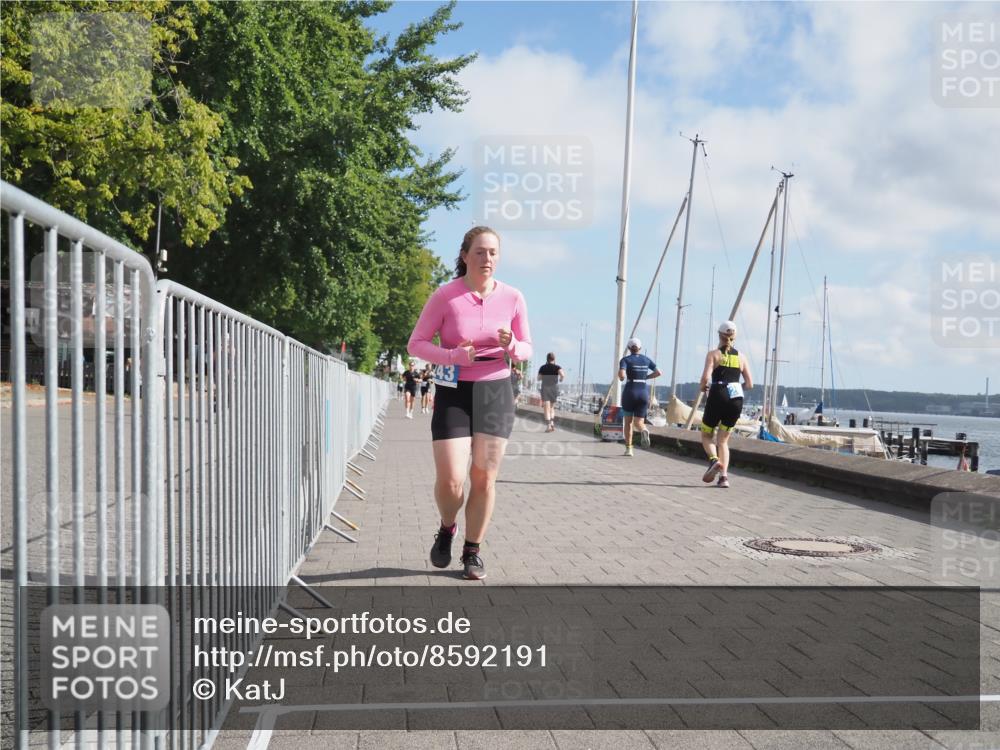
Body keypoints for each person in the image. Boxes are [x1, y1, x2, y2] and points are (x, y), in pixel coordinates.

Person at [408, 226, 532, 580]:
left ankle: (472, 551)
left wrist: (511, 347)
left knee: (484, 477)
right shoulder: (445, 296)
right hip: (454, 389)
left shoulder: (513, 297)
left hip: (495, 389)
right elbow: (416, 344)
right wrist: (451, 355)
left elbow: (526, 348)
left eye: (493, 252)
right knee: (451, 481)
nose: (487, 258)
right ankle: (448, 527)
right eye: (479, 252)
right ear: (465, 256)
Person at [699, 321, 753, 488]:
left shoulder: (713, 355)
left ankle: (714, 460)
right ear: (734, 337)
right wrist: (736, 387)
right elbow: (750, 384)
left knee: (707, 434)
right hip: (736, 398)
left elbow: (705, 378)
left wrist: (703, 387)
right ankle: (724, 477)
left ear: (720, 335)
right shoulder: (742, 357)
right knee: (723, 440)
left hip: (717, 395)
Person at [617, 338, 661, 456]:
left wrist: (621, 377)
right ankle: (643, 430)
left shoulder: (625, 360)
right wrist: (646, 377)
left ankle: (629, 449)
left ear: (629, 348)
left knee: (628, 422)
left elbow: (622, 374)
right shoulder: (646, 359)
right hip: (643, 392)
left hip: (630, 392)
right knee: (639, 422)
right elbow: (658, 372)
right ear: (640, 348)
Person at [537, 353, 564, 432]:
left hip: (545, 388)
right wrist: (561, 379)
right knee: (552, 407)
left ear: (547, 359)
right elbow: (562, 375)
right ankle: (552, 423)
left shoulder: (543, 367)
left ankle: (548, 425)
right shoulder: (557, 367)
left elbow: (538, 378)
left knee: (546, 408)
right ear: (554, 359)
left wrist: (543, 376)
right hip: (554, 388)